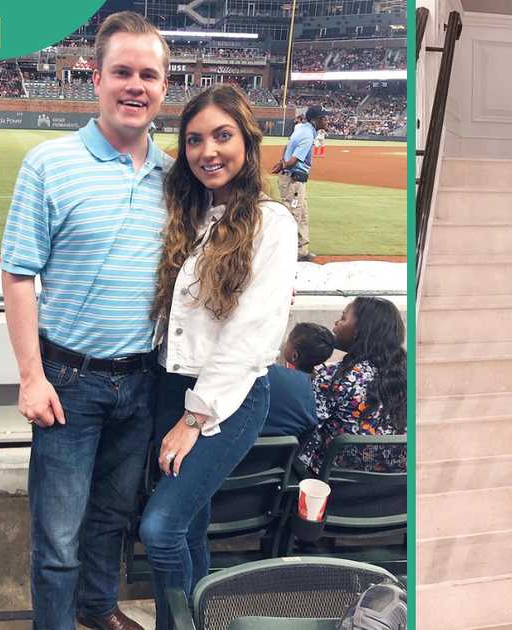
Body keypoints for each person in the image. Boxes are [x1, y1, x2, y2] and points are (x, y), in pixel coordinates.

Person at [0, 11, 170, 630]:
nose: (135, 85)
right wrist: (30, 376)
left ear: (163, 86)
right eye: (121, 71)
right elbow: (18, 275)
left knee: (111, 520)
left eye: (148, 75)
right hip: (68, 383)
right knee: (59, 536)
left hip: (142, 378)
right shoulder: (49, 163)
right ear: (94, 77)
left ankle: (98, 612)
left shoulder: (173, 176)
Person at [137, 84, 297, 630]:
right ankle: (196, 620)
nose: (209, 151)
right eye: (195, 140)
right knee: (190, 526)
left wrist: (193, 417)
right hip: (168, 385)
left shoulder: (272, 223)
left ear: (247, 142)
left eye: (222, 136)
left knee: (160, 530)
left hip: (224, 400)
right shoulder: (190, 214)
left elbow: (251, 334)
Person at [296, 297, 407, 477]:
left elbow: (303, 425)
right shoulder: (405, 375)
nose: (336, 323)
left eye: (343, 318)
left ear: (360, 330)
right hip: (390, 488)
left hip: (329, 480)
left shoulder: (336, 378)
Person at [271, 104, 330, 262]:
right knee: (293, 215)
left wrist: (281, 162)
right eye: (323, 118)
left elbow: (286, 146)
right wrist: (283, 164)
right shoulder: (307, 135)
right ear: (315, 120)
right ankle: (286, 254)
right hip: (293, 181)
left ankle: (302, 251)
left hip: (296, 180)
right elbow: (293, 161)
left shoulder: (301, 128)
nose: (326, 121)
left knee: (303, 214)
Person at [261, 322, 335, 438]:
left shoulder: (270, 376)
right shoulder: (317, 388)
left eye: (288, 341)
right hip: (288, 453)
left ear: (294, 355)